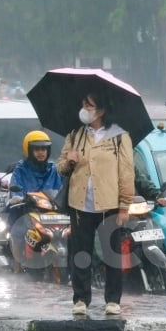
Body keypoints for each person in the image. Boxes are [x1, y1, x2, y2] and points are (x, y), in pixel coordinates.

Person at [55, 90, 135, 316]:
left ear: (101, 110)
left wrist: (124, 205)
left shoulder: (119, 137)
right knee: (81, 253)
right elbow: (60, 166)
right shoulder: (75, 135)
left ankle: (113, 299)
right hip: (80, 205)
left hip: (108, 205)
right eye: (83, 104)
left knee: (111, 253)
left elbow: (126, 173)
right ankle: (80, 298)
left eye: (88, 105)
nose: (84, 109)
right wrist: (69, 162)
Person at [7, 130, 63, 267]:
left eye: (44, 148)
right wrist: (17, 198)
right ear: (28, 150)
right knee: (17, 232)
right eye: (36, 149)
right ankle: (17, 265)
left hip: (50, 212)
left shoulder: (54, 169)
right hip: (26, 211)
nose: (41, 152)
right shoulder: (20, 169)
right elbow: (16, 187)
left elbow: (61, 188)